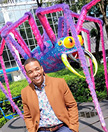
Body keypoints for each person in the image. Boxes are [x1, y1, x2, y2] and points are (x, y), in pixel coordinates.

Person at [21, 57, 79, 132]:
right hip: (42, 129)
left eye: (37, 69)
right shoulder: (25, 92)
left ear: (42, 69)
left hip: (62, 127)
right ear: (27, 75)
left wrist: (73, 127)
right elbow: (27, 116)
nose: (35, 74)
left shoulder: (59, 83)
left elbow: (72, 105)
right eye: (30, 72)